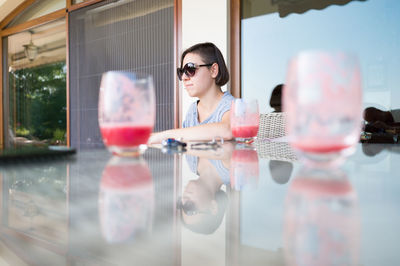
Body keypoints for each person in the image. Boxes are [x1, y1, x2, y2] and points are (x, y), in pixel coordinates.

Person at [148, 42, 234, 144]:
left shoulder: (232, 105)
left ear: (213, 70)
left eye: (190, 69)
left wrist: (164, 136)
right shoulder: (192, 111)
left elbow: (227, 130)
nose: (184, 78)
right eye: (181, 72)